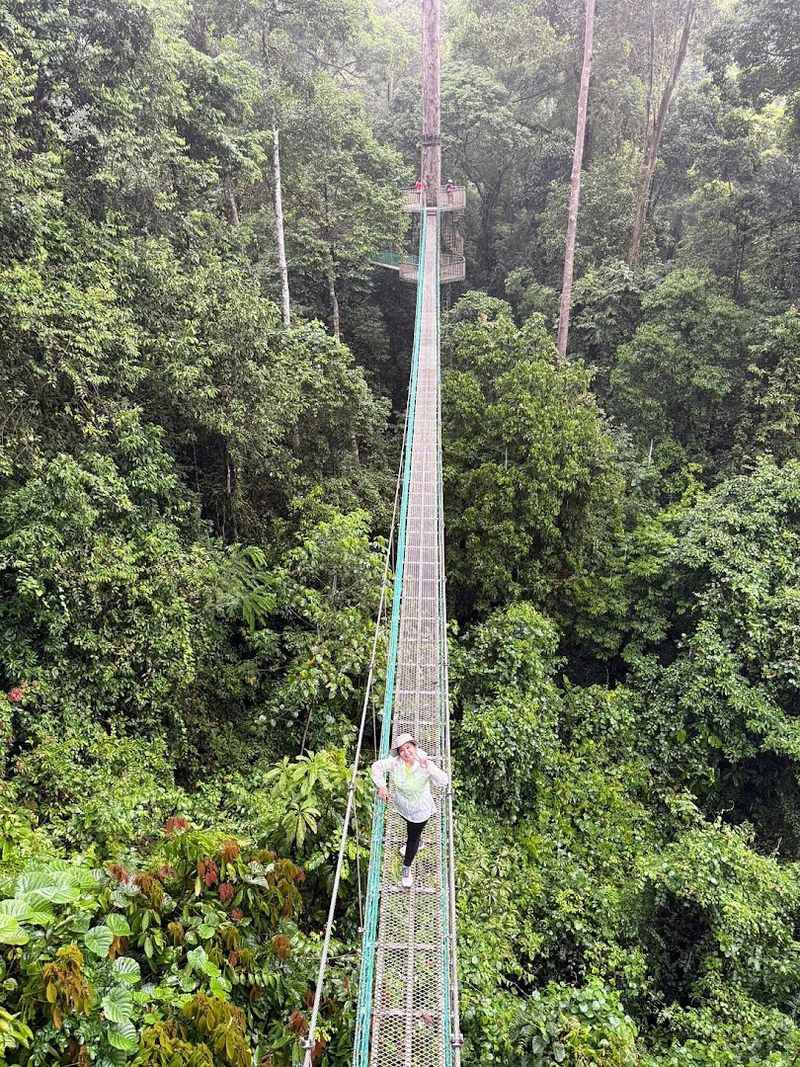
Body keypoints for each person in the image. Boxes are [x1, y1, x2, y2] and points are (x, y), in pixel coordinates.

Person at [371, 733, 448, 888]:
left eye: (408, 747)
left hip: (420, 810)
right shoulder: (395, 763)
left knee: (412, 836)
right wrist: (381, 785)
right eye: (401, 750)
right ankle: (418, 842)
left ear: (415, 746)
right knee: (412, 830)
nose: (405, 752)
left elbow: (443, 781)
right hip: (402, 806)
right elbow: (376, 766)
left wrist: (430, 768)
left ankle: (406, 866)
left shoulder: (424, 763)